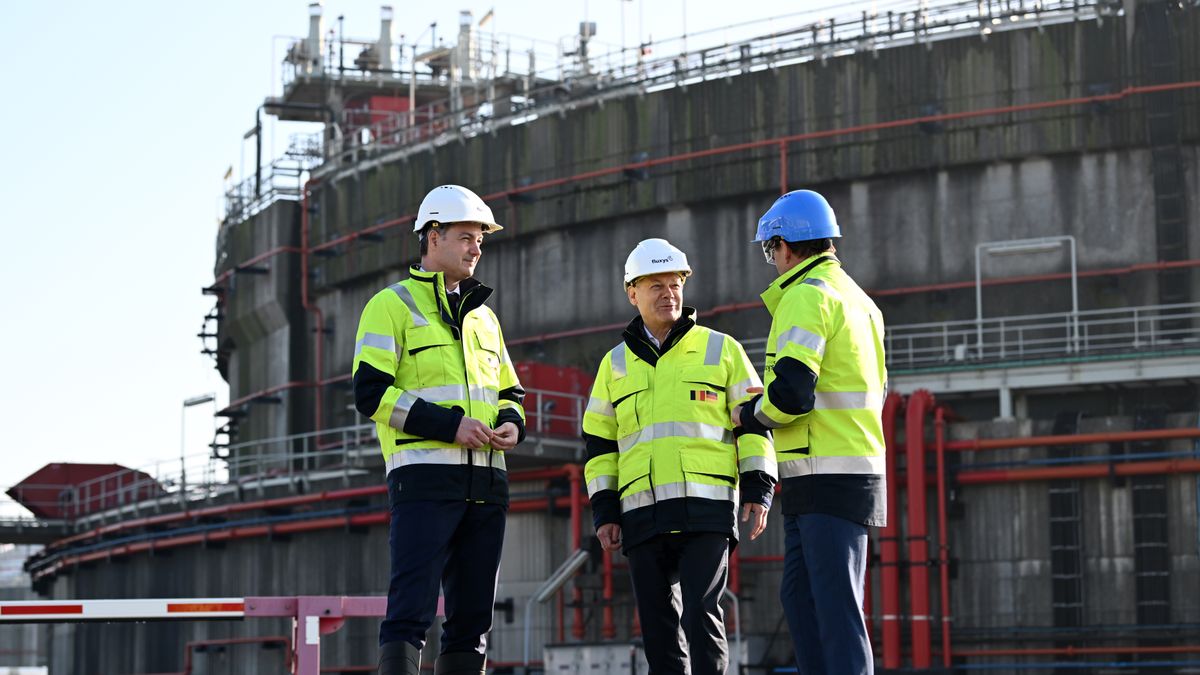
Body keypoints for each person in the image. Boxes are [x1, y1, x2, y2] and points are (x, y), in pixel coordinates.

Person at [352, 184, 527, 675]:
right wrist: (452, 427)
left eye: (480, 240)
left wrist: (513, 426)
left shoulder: (485, 320)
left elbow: (511, 393)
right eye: (466, 237)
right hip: (424, 480)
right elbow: (371, 395)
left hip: (488, 484)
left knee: (473, 620)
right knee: (410, 611)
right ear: (432, 236)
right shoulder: (391, 306)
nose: (476, 248)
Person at [583, 238, 777, 675]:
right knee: (657, 630)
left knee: (701, 616)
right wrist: (605, 511)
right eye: (656, 285)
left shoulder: (721, 350)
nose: (669, 293)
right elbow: (599, 446)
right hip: (640, 514)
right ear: (632, 292)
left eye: (675, 284)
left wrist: (759, 486)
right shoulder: (613, 365)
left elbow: (754, 424)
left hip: (706, 509)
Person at [731, 190, 887, 675]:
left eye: (769, 249)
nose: (770, 261)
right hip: (829, 473)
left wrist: (750, 417)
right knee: (802, 599)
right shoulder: (858, 300)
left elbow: (793, 393)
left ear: (785, 245)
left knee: (835, 610)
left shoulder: (805, 296)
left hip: (828, 475)